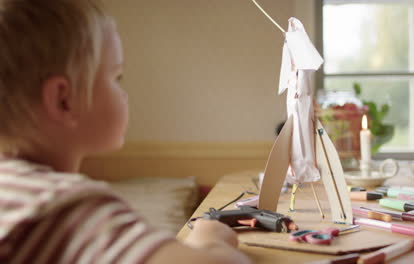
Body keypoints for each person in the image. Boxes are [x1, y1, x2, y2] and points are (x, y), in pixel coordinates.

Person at [0, 0, 251, 263]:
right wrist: (209, 239)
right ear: (64, 100)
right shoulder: (60, 205)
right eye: (116, 77)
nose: (124, 93)